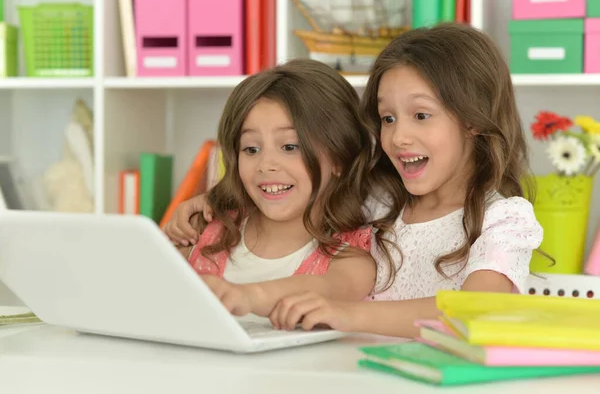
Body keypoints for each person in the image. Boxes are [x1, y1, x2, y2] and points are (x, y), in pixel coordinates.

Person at [165, 23, 544, 337]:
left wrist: (347, 315)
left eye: (421, 115)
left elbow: (475, 311)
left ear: (473, 119)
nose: (398, 137)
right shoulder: (381, 202)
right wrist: (211, 202)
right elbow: (298, 187)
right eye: (388, 118)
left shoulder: (504, 221)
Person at [173, 58, 387, 318]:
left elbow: (326, 288)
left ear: (339, 158)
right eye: (251, 149)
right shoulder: (206, 233)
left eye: (289, 147)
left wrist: (248, 296)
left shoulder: (351, 259)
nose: (266, 165)